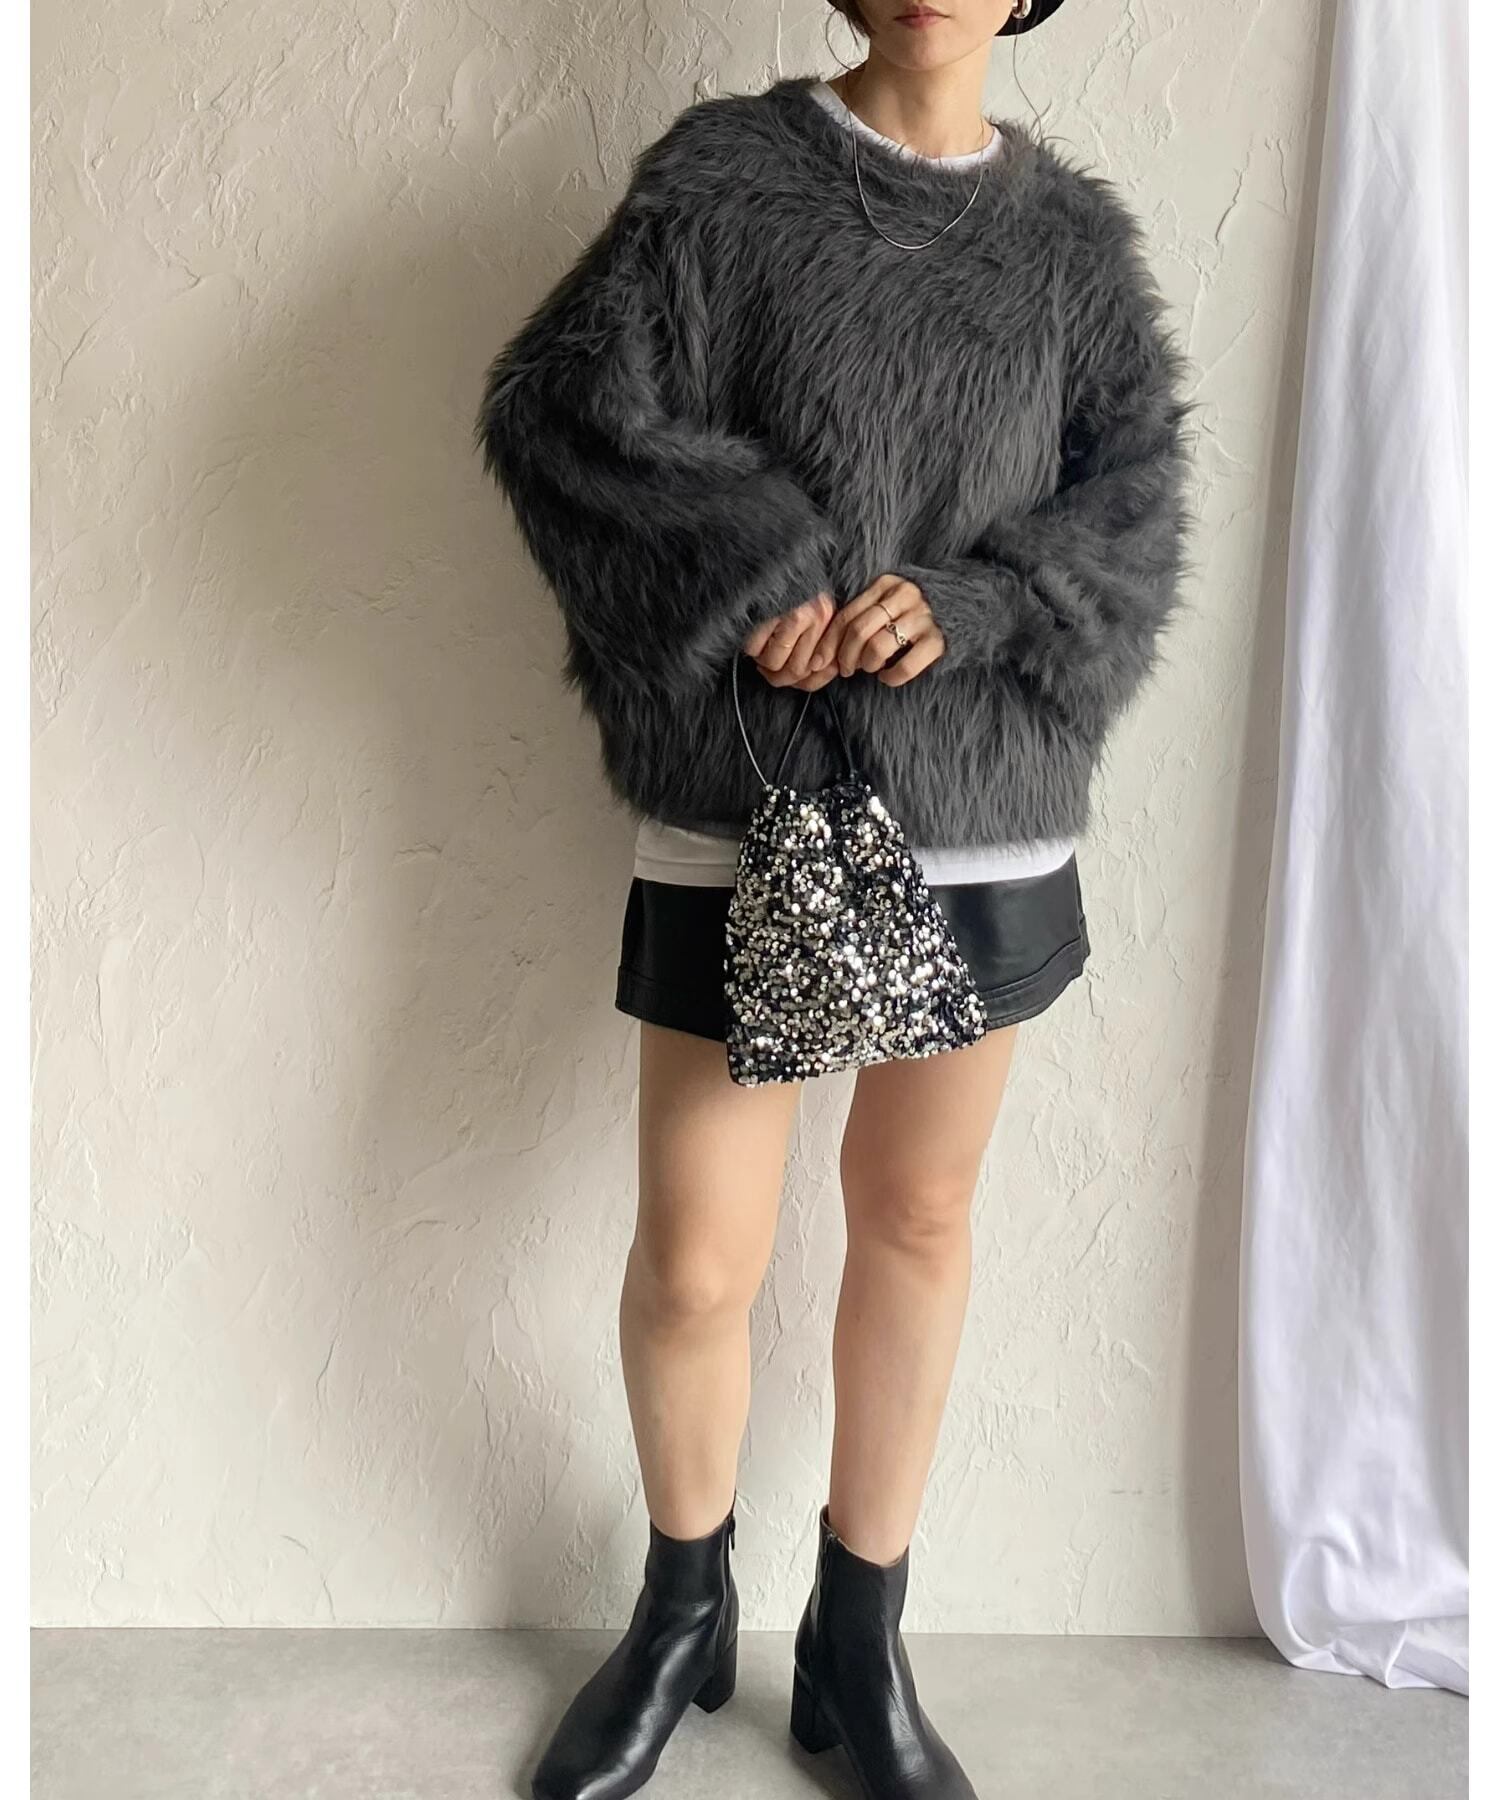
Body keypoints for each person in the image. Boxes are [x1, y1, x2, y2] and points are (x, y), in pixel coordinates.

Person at [475, 3, 1195, 1796]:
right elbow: (560, 418)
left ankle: (857, 1644)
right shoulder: (722, 184)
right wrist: (756, 569)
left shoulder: (1073, 248)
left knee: (919, 1219)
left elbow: (1138, 507)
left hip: (984, 814)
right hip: (754, 798)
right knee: (695, 1257)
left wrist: (988, 598)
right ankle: (680, 1613)